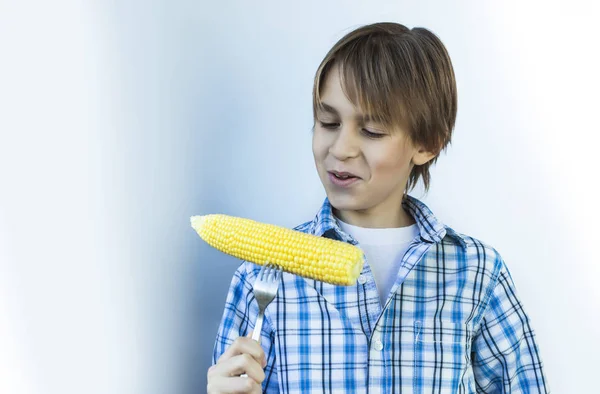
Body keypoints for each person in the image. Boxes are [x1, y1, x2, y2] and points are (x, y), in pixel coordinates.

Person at [206, 22, 550, 393]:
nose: (341, 149)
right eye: (328, 122)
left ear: (427, 143)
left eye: (371, 131)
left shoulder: (478, 274)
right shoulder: (261, 279)